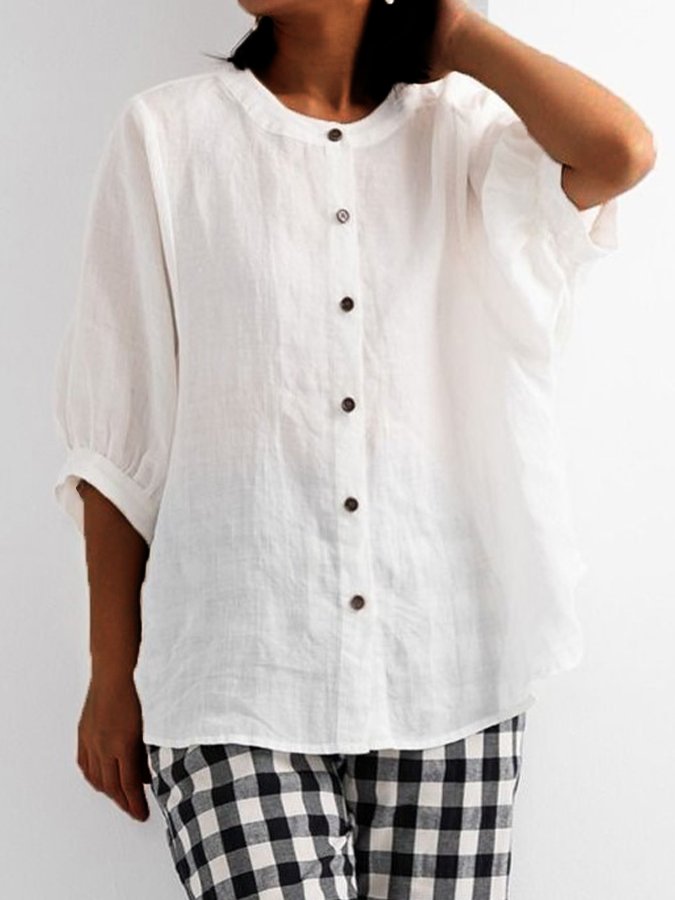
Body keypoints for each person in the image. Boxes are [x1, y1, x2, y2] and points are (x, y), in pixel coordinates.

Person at [52, 0, 655, 897]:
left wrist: (454, 34)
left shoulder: (468, 134)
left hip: (446, 669)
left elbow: (620, 153)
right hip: (235, 674)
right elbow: (119, 431)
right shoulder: (168, 137)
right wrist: (111, 674)